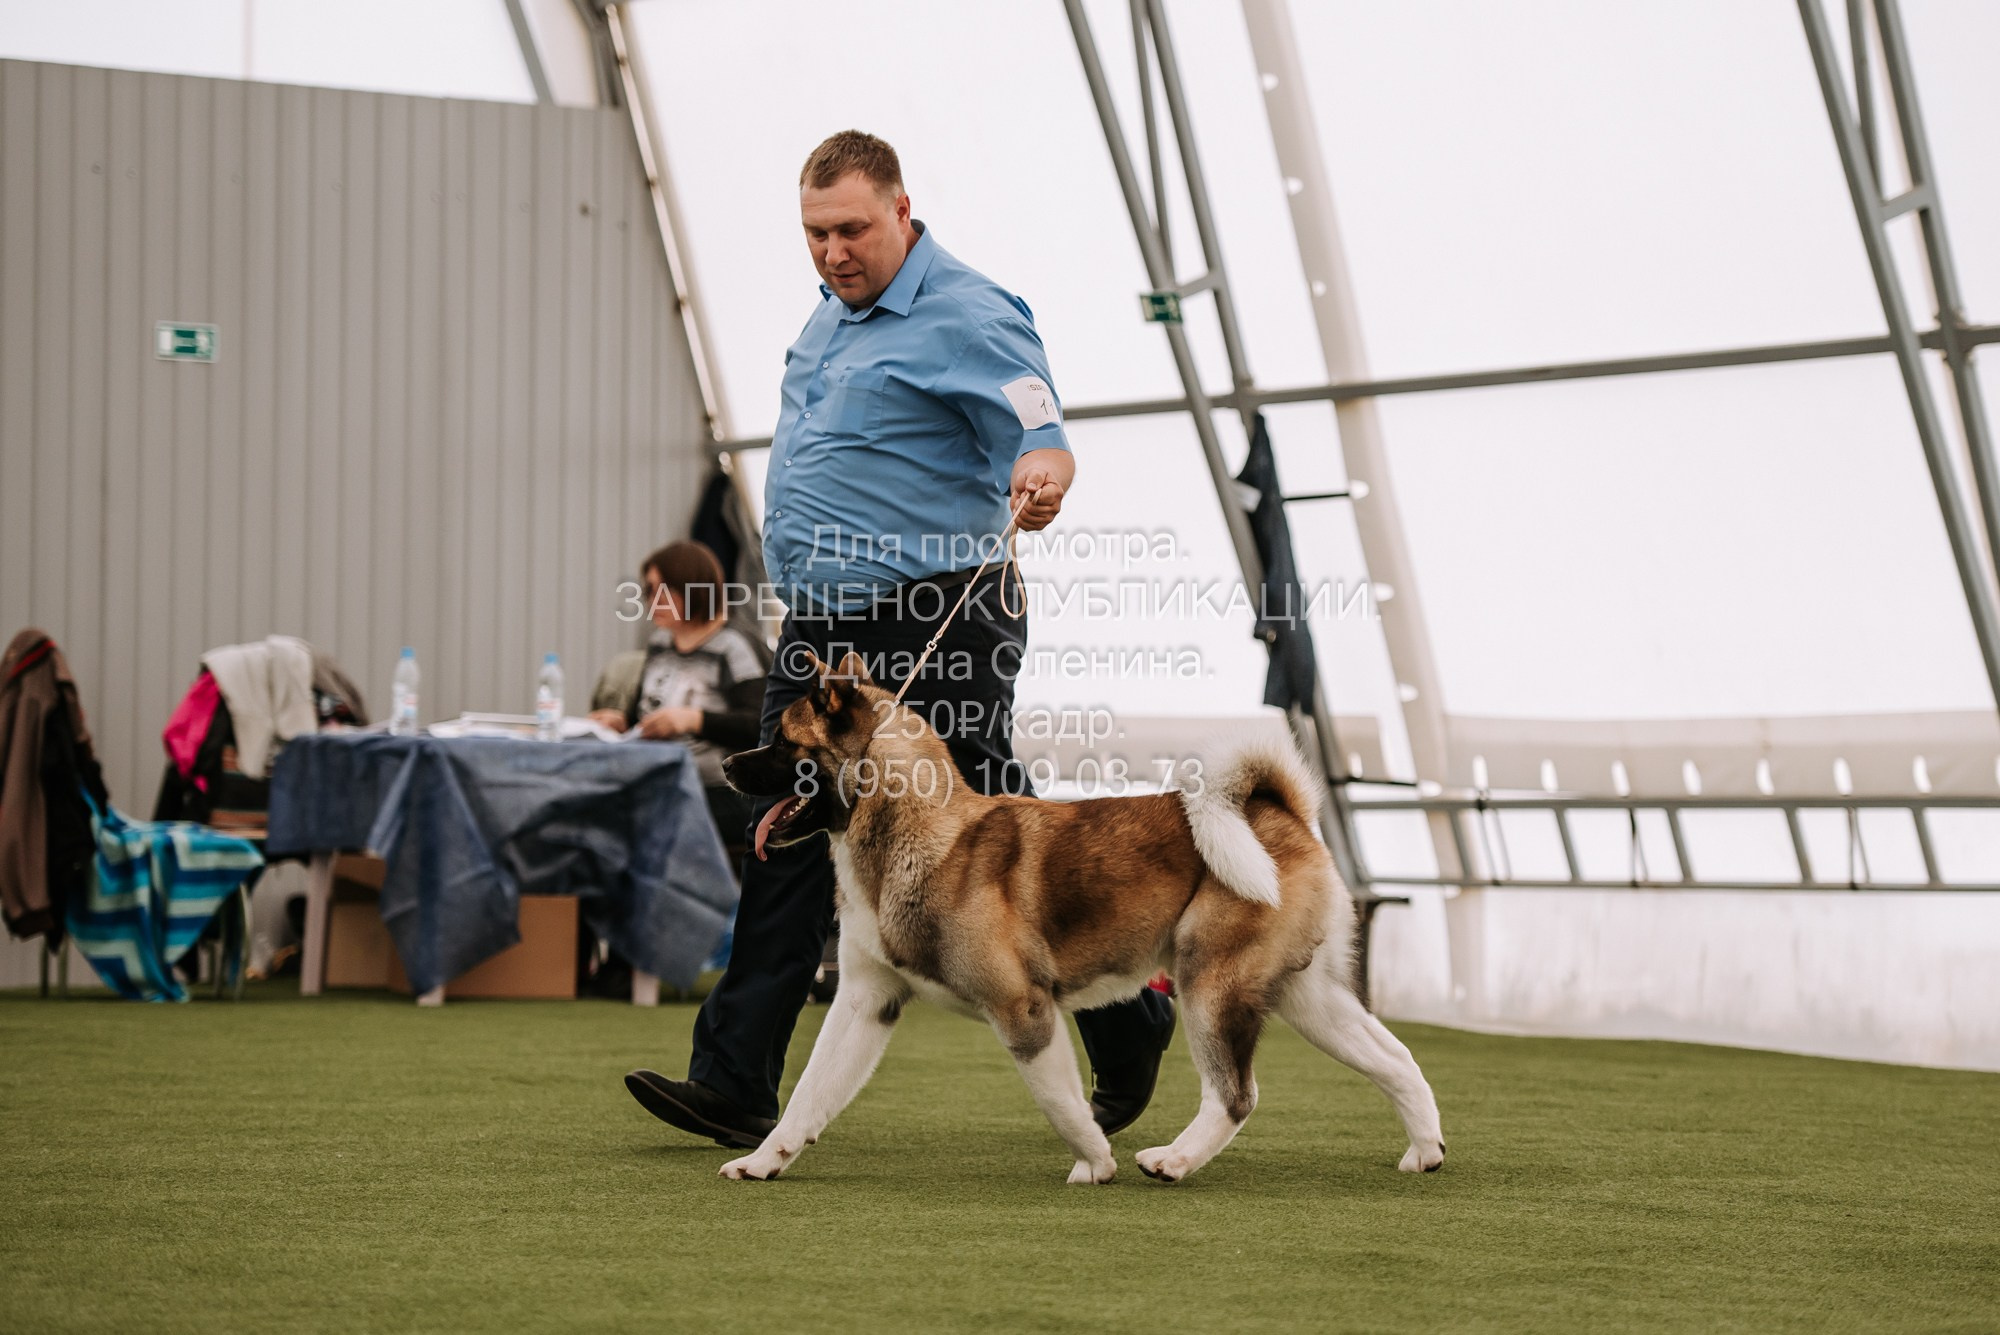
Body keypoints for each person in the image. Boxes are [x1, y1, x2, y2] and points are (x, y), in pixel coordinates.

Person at [624, 130, 1177, 1149]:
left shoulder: (965, 310)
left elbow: (1034, 418)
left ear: (901, 210)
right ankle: (735, 1078)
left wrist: (1046, 468)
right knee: (787, 837)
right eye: (813, 233)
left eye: (850, 229)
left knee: (988, 833)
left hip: (938, 616)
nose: (832, 251)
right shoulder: (825, 321)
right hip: (823, 632)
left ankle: (1131, 1022)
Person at [589, 539, 767, 838]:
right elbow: (646, 716)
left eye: (662, 592)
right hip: (658, 775)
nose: (650, 601)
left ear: (693, 589)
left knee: (627, 817)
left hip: (720, 790)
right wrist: (622, 723)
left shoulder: (733, 647)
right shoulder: (660, 643)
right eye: (648, 591)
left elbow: (760, 725)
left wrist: (693, 720)